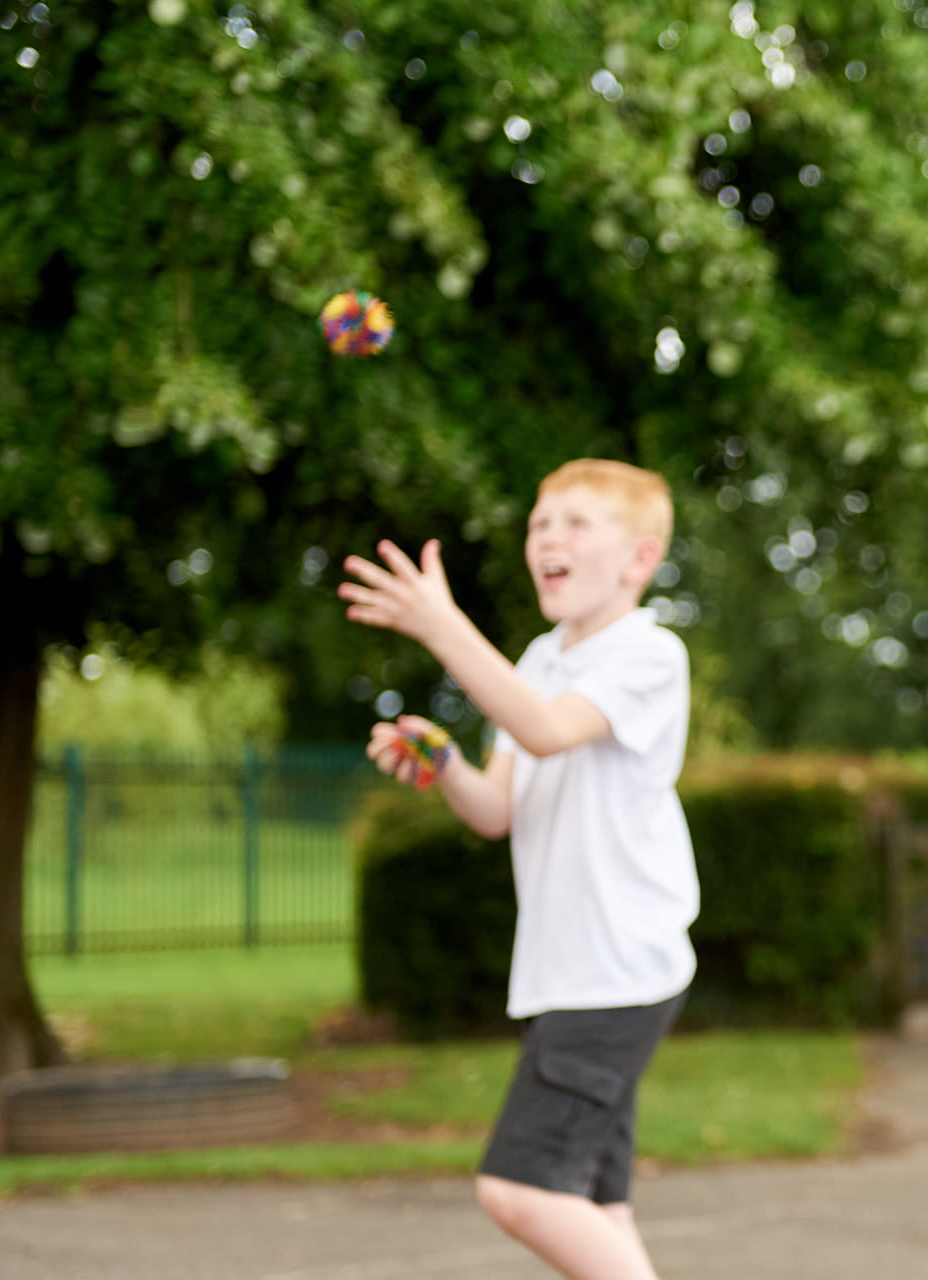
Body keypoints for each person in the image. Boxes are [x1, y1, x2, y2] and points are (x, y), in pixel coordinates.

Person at [339, 458, 695, 1280]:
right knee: (596, 1207)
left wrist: (439, 624)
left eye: (576, 523)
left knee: (520, 1189)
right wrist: (446, 768)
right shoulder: (539, 657)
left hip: (617, 969)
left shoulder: (649, 654)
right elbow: (498, 810)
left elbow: (544, 730)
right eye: (540, 523)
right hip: (568, 971)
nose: (549, 538)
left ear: (638, 560)